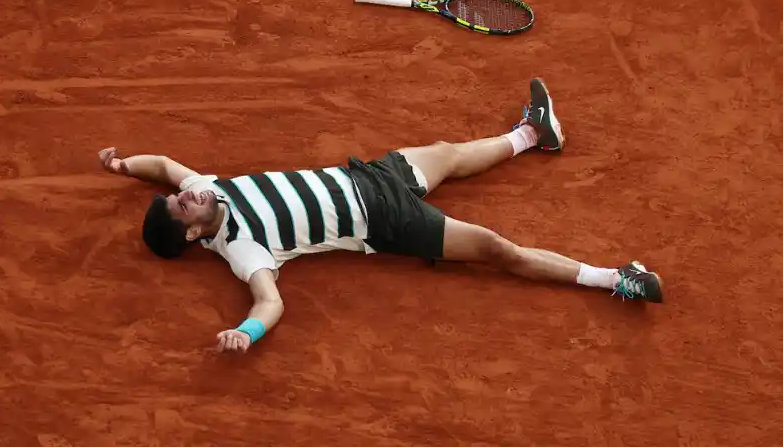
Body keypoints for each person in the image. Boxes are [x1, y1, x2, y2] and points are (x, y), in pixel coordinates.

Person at [98, 78, 663, 354]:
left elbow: (167, 165)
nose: (189, 193)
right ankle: (616, 278)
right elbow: (270, 302)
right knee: (497, 249)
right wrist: (245, 333)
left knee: (449, 152)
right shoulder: (242, 248)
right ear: (195, 234)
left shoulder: (205, 188)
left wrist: (126, 166)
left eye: (182, 196)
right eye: (184, 206)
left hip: (368, 176)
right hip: (386, 224)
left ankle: (535, 132)